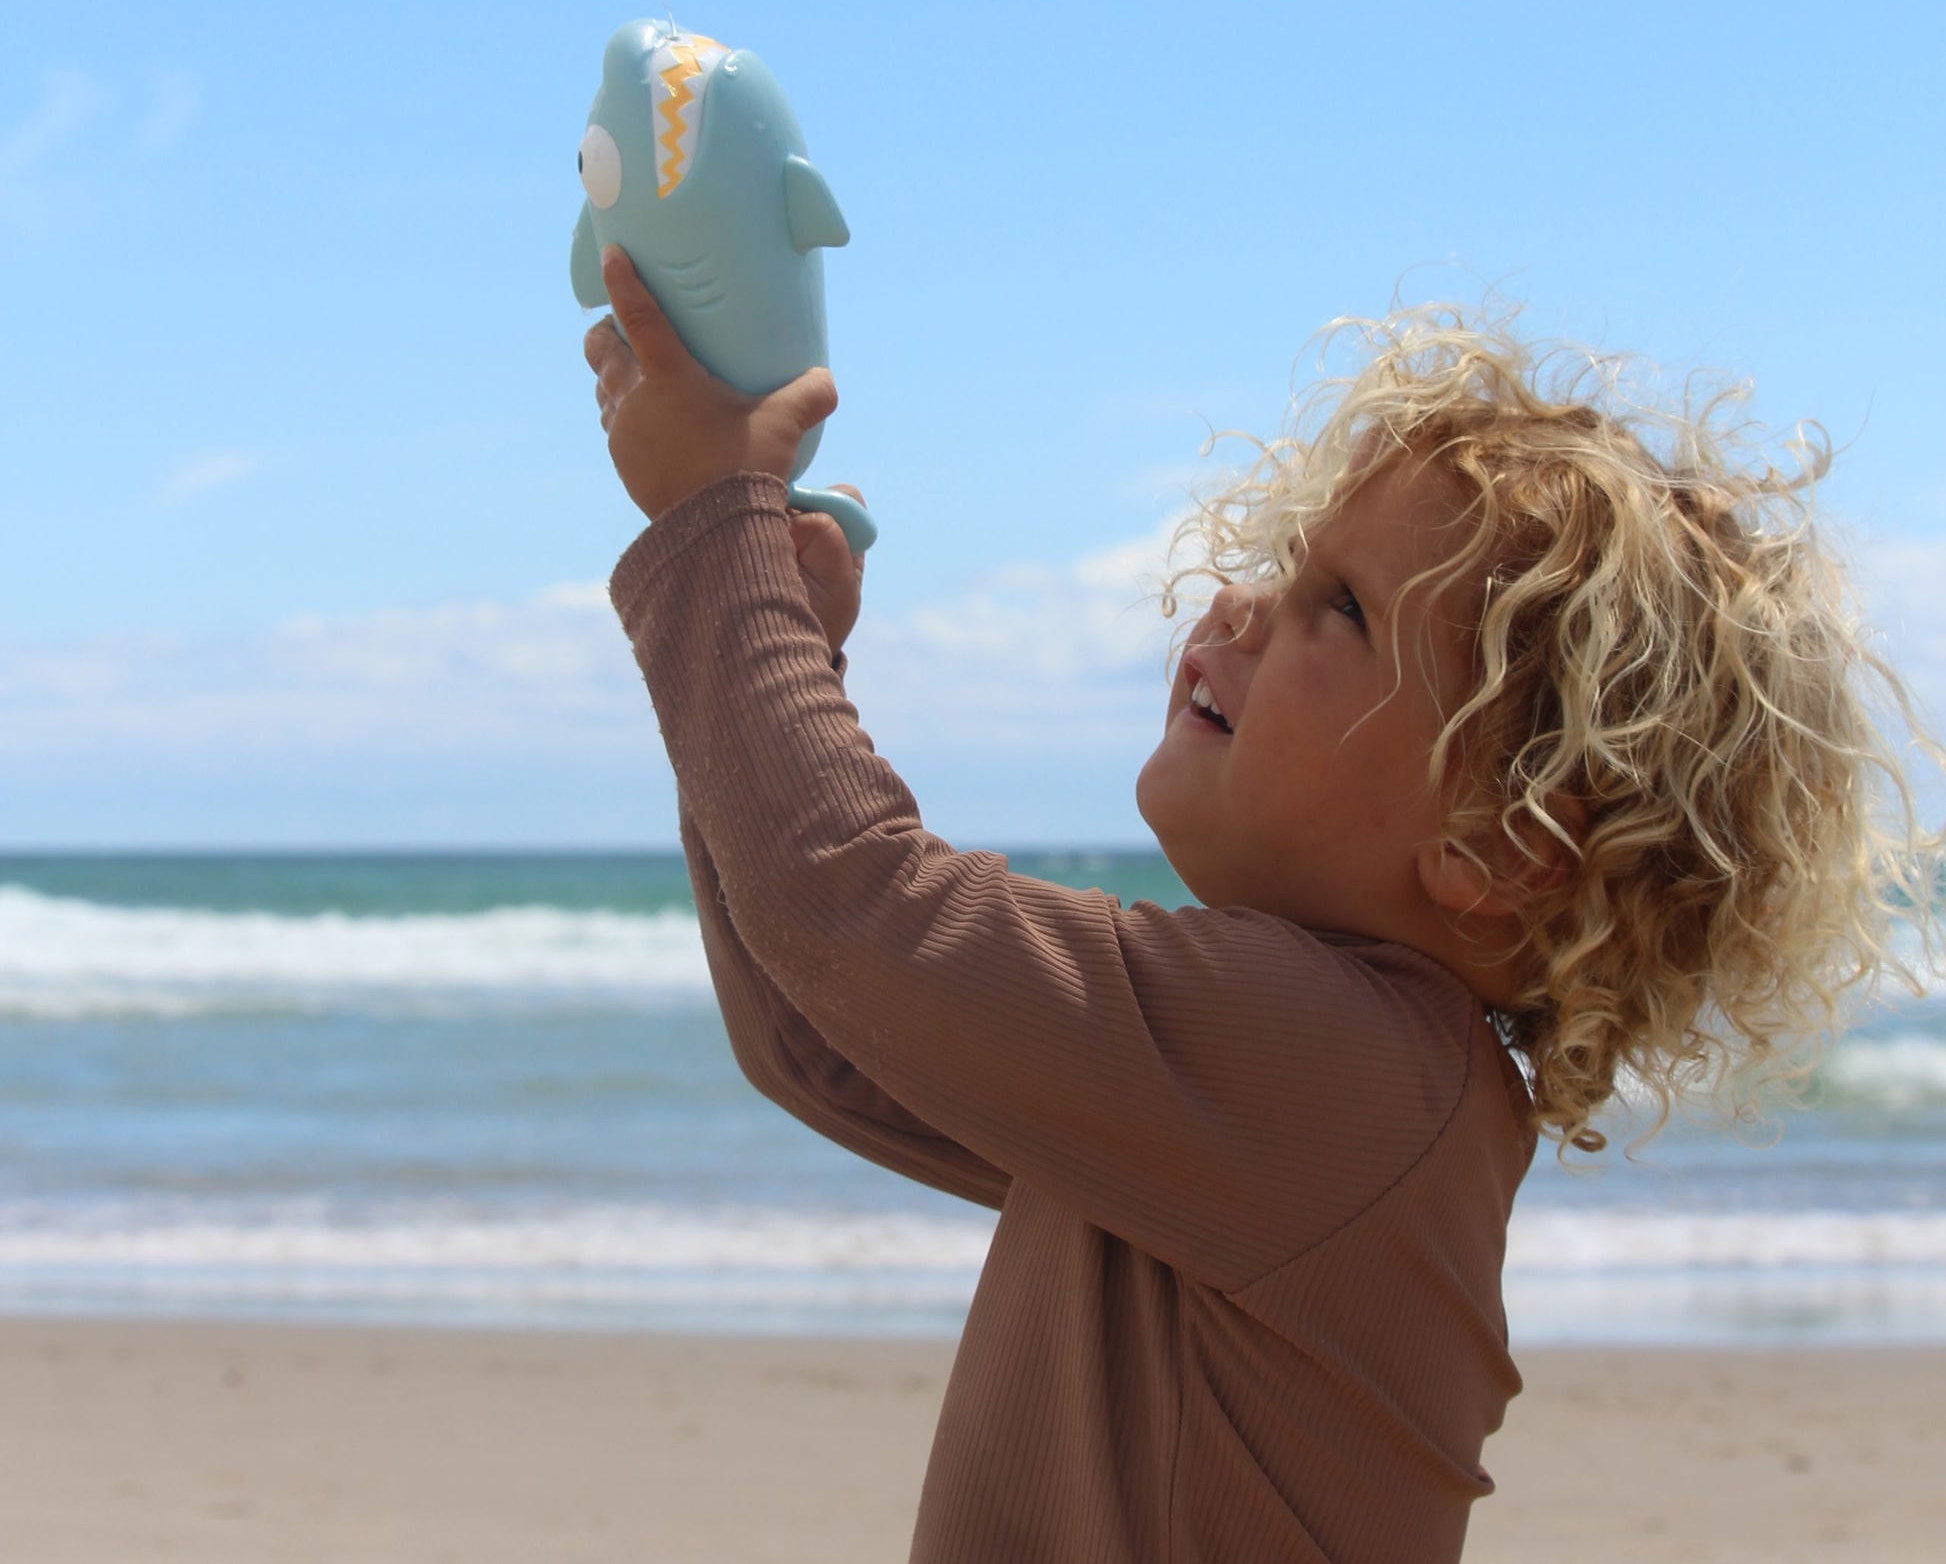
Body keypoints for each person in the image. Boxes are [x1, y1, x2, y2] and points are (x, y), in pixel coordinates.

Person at [582, 247, 1940, 1564]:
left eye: (1333, 606)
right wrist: (759, 637)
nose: (1236, 604)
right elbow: (828, 1039)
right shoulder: (1330, 1092)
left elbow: (851, 914)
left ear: (1505, 841)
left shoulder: (1338, 1070)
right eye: (1290, 566)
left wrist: (718, 529)